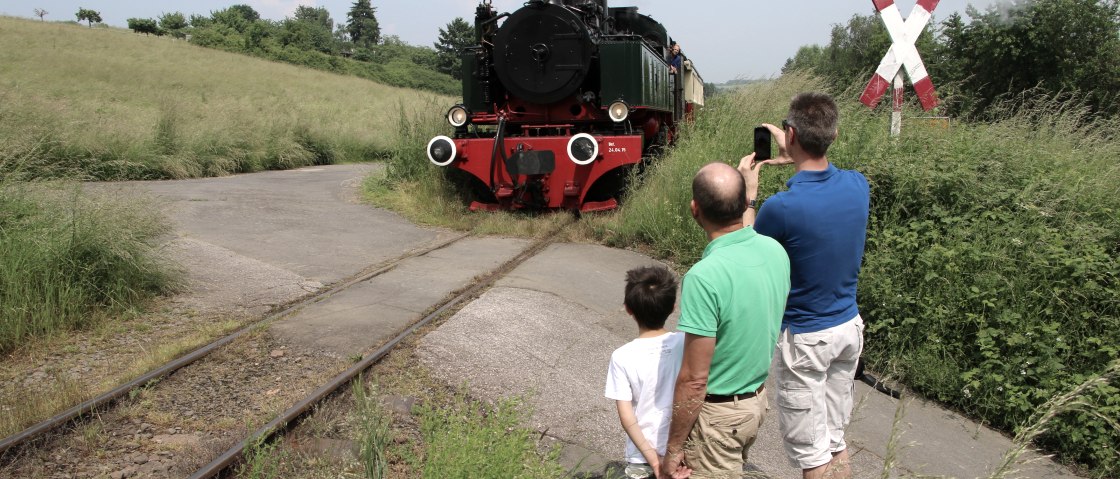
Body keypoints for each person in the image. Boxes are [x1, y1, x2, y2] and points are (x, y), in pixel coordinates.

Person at [738, 92, 870, 479]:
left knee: (813, 456)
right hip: (848, 328)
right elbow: (824, 178)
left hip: (807, 340)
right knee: (834, 440)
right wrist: (796, 152)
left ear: (790, 133)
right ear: (835, 134)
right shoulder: (858, 186)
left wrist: (750, 192)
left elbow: (747, 252)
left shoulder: (781, 207)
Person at [660, 163, 791, 479]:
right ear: (745, 203)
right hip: (754, 403)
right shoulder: (775, 251)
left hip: (717, 419)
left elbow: (694, 379)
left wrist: (674, 447)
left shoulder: (704, 277)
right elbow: (747, 233)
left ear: (695, 210)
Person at [604, 265, 685, 479]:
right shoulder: (686, 344)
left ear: (628, 308)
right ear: (673, 307)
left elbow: (627, 416)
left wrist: (653, 460)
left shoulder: (622, 356)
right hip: (683, 451)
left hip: (641, 455)